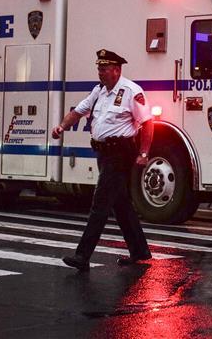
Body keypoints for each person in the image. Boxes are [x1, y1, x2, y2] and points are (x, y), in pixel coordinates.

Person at [52, 49, 154, 271]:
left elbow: (147, 122)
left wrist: (144, 153)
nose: (100, 73)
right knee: (121, 204)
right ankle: (140, 251)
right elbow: (78, 112)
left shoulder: (130, 91)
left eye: (105, 69)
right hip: (104, 153)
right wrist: (61, 126)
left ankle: (82, 256)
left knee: (100, 203)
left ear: (117, 70)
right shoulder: (98, 92)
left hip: (120, 153)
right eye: (99, 69)